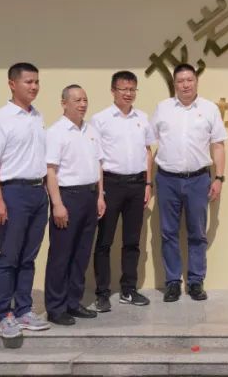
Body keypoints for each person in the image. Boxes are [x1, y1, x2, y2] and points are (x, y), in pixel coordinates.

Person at [0, 62, 51, 346]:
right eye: (28, 82)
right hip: (13, 193)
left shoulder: (37, 116)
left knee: (28, 257)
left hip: (38, 192)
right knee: (9, 256)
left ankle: (24, 310)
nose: (34, 87)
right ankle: (5, 315)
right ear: (12, 84)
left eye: (36, 81)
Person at [151, 63, 228, 302]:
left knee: (197, 232)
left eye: (189, 80)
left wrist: (219, 178)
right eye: (180, 81)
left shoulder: (209, 109)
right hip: (167, 179)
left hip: (198, 179)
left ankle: (195, 281)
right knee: (168, 233)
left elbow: (218, 145)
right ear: (174, 84)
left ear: (196, 82)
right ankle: (173, 282)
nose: (185, 85)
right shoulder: (163, 108)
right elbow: (149, 143)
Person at [92, 71, 155, 311]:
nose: (128, 94)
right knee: (104, 241)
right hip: (111, 184)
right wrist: (100, 192)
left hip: (137, 185)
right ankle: (102, 293)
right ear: (113, 91)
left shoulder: (143, 118)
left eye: (132, 89)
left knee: (132, 241)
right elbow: (97, 158)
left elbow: (147, 151)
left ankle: (129, 289)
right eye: (123, 89)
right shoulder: (100, 119)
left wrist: (148, 184)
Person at [43, 85, 105, 326]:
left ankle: (73, 301)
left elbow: (98, 165)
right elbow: (50, 170)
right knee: (61, 255)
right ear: (64, 103)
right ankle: (56, 307)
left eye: (85, 100)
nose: (82, 104)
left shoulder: (91, 130)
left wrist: (100, 196)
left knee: (81, 253)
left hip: (90, 196)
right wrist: (57, 204)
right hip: (67, 197)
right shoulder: (56, 132)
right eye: (77, 100)